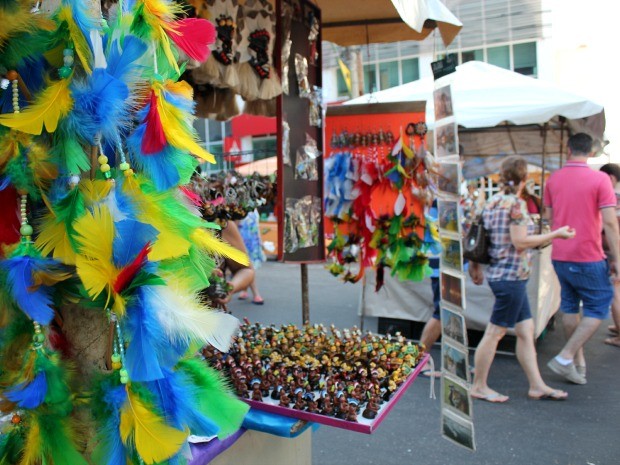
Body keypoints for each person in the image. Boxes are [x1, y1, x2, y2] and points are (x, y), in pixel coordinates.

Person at [469, 155, 574, 402]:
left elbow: (479, 235)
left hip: (502, 274)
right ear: (524, 178)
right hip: (511, 276)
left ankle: (536, 385)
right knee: (495, 331)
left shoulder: (492, 202)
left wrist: (475, 265)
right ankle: (478, 385)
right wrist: (556, 234)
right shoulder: (515, 204)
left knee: (526, 330)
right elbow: (520, 241)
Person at [543, 133, 620, 384]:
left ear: (568, 149)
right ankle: (566, 357)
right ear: (591, 152)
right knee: (599, 305)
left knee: (569, 306)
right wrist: (617, 258)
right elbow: (610, 221)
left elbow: (549, 217)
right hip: (588, 254)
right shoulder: (599, 180)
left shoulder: (554, 179)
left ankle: (578, 362)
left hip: (561, 253)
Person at [597, 163, 620, 348]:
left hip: (614, 251)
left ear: (610, 178)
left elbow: (610, 226)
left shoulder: (611, 199)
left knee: (615, 293)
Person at [237, 208, 266, 305]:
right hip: (243, 244)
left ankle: (244, 290)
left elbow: (257, 228)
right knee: (249, 267)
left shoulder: (254, 210)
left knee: (249, 267)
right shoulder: (238, 210)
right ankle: (256, 294)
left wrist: (260, 243)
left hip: (253, 244)